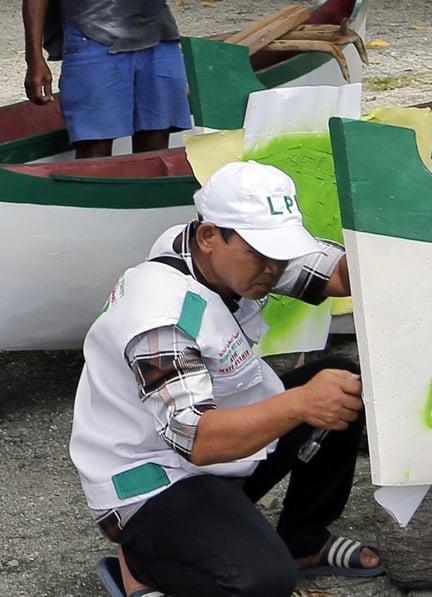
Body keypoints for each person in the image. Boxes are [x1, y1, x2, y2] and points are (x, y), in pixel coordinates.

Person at [69, 161, 382, 597]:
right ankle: (143, 565)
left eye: (282, 252)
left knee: (342, 384)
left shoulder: (218, 255)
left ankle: (303, 540)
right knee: (261, 581)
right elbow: (198, 442)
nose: (274, 268)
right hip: (153, 479)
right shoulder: (162, 319)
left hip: (220, 451)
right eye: (261, 253)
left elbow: (342, 274)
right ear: (209, 237)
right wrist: (299, 404)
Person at [22, 0, 192, 159]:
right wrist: (34, 57)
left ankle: (147, 191)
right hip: (91, 29)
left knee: (156, 137)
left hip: (157, 28)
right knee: (94, 146)